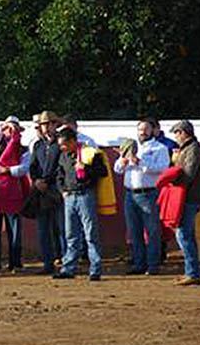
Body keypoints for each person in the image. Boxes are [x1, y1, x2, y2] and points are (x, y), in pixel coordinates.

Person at [114, 119, 169, 275]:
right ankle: (139, 264)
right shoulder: (131, 147)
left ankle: (152, 265)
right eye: (140, 130)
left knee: (152, 231)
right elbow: (117, 169)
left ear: (153, 131)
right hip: (130, 193)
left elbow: (163, 169)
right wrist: (123, 162)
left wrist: (140, 162)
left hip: (149, 193)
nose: (142, 132)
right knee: (134, 230)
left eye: (146, 129)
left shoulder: (159, 148)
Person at [55, 127, 106, 280]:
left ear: (72, 142)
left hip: (85, 195)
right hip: (69, 196)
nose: (62, 147)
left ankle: (95, 270)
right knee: (71, 234)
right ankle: (68, 268)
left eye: (64, 144)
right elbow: (60, 175)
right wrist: (63, 190)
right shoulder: (63, 156)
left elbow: (102, 171)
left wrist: (86, 168)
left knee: (90, 233)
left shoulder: (89, 152)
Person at [0, 116, 30, 274]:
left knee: (14, 230)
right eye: (6, 129)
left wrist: (8, 170)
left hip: (12, 192)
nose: (9, 132)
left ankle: (15, 263)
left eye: (13, 129)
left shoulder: (23, 149)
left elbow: (24, 168)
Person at [170, 120, 200, 285]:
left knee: (184, 234)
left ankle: (192, 273)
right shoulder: (190, 149)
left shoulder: (193, 149)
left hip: (188, 198)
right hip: (188, 197)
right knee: (186, 234)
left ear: (184, 133)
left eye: (177, 133)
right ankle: (191, 272)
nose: (176, 137)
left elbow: (189, 174)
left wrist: (172, 181)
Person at [30, 110, 65, 274]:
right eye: (42, 125)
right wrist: (36, 180)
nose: (44, 128)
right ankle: (47, 263)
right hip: (41, 190)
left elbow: (62, 167)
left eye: (47, 124)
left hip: (57, 189)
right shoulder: (38, 145)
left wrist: (47, 181)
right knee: (43, 229)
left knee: (62, 228)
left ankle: (66, 262)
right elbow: (33, 167)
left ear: (54, 124)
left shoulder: (61, 143)